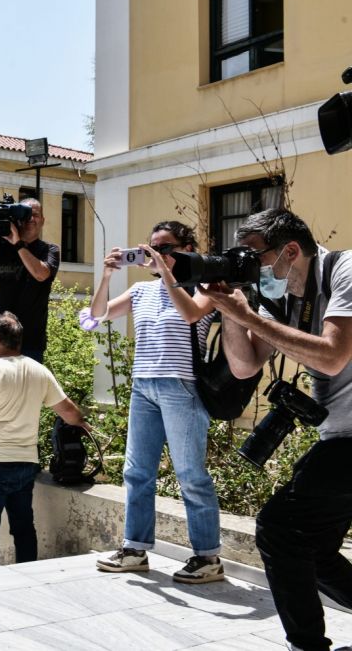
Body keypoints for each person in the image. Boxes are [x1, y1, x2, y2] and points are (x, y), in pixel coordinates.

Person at [202, 209, 352, 651]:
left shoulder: (344, 271)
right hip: (339, 436)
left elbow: (332, 356)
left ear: (289, 251)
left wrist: (250, 317)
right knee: (314, 548)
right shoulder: (286, 300)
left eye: (254, 256)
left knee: (279, 528)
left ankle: (306, 645)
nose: (250, 266)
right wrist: (231, 309)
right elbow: (245, 365)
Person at [89, 221, 224, 584]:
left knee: (190, 474)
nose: (155, 254)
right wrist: (106, 275)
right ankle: (134, 549)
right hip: (143, 385)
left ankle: (208, 556)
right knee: (136, 472)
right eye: (152, 247)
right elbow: (95, 316)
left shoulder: (205, 288)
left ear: (187, 249)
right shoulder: (140, 291)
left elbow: (191, 314)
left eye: (165, 247)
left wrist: (166, 272)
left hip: (181, 386)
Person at [0, 312, 89, 567]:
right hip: (26, 465)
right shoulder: (39, 371)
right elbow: (70, 412)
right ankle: (29, 578)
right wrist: (84, 423)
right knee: (24, 528)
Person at [0, 197, 60, 363]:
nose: (31, 219)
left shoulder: (49, 249)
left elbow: (41, 274)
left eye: (35, 215)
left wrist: (18, 243)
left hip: (30, 343)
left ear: (42, 220)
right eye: (26, 214)